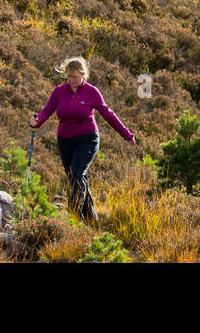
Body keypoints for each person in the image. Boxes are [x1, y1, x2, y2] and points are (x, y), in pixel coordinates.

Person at [30, 57, 135, 222]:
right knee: (76, 178)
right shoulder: (59, 91)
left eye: (75, 77)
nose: (71, 80)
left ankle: (73, 217)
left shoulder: (91, 92)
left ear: (83, 75)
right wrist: (37, 121)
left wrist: (126, 134)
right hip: (65, 141)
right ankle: (91, 219)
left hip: (87, 139)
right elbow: (47, 111)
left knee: (77, 174)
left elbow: (108, 114)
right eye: (69, 77)